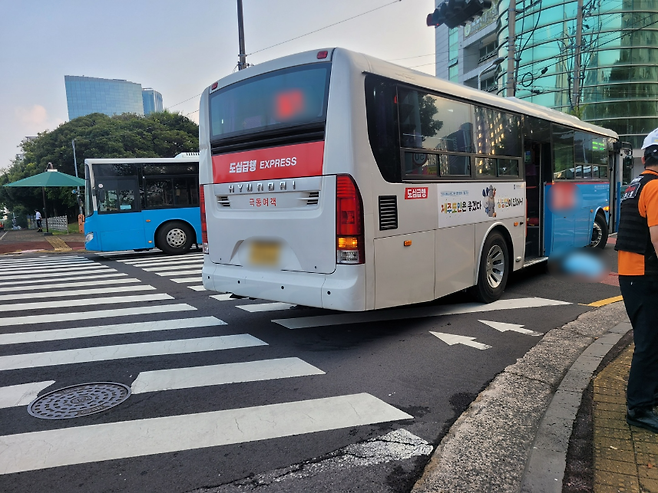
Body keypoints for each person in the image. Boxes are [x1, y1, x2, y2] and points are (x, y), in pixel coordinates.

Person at [615, 127, 658, 433]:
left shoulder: (635, 185)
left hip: (631, 275)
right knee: (649, 342)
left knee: (651, 339)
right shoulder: (655, 188)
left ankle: (647, 397)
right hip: (646, 275)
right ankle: (639, 408)